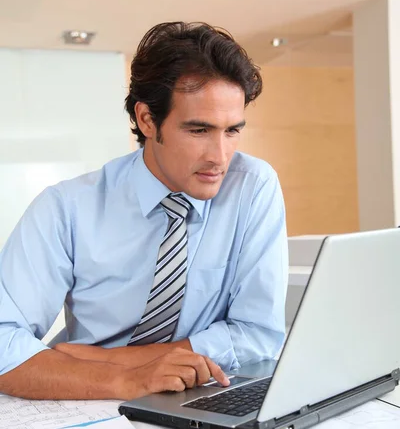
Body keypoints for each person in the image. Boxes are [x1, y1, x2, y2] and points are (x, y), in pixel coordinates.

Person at [0, 22, 288, 401]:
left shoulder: (252, 186)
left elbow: (259, 335)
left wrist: (120, 360)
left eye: (232, 130)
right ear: (147, 119)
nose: (219, 157)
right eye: (199, 131)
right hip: (87, 398)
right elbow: (4, 340)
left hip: (200, 395)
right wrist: (128, 380)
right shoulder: (66, 208)